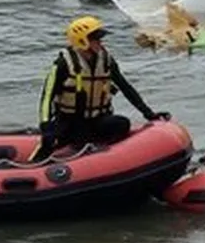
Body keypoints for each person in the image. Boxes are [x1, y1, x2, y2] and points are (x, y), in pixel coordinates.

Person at [32, 16, 169, 161]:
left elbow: (125, 87)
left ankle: (105, 155)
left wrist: (148, 113)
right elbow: (47, 97)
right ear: (82, 41)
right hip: (71, 121)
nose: (100, 42)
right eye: (95, 39)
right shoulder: (63, 64)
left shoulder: (106, 60)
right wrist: (46, 126)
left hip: (98, 119)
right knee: (73, 135)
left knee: (122, 124)